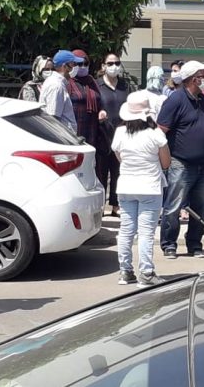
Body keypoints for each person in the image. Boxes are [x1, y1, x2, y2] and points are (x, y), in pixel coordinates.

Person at [111, 92, 171, 287]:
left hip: (126, 185)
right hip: (150, 186)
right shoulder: (155, 134)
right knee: (146, 233)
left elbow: (120, 157)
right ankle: (146, 273)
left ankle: (125, 271)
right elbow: (166, 163)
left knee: (126, 230)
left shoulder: (120, 132)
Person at [157, 61, 204, 259]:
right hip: (181, 163)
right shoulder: (176, 100)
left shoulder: (202, 99)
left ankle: (195, 244)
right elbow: (161, 131)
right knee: (173, 206)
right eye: (203, 75)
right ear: (192, 79)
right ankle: (169, 244)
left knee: (202, 208)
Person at [96, 53, 132, 217]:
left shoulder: (125, 86)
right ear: (103, 66)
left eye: (117, 63)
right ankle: (100, 205)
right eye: (110, 63)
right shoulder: (97, 86)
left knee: (118, 172)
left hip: (122, 135)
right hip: (103, 135)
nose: (114, 66)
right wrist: (98, 114)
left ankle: (116, 204)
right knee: (101, 172)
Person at [67, 49, 106, 147]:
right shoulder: (68, 83)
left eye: (86, 63)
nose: (83, 67)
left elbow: (99, 100)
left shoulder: (92, 81)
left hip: (93, 129)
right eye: (79, 64)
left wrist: (101, 111)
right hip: (75, 130)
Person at [39, 49, 82, 131]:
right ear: (64, 66)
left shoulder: (57, 83)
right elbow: (52, 119)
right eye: (73, 64)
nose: (76, 67)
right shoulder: (56, 86)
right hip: (61, 135)